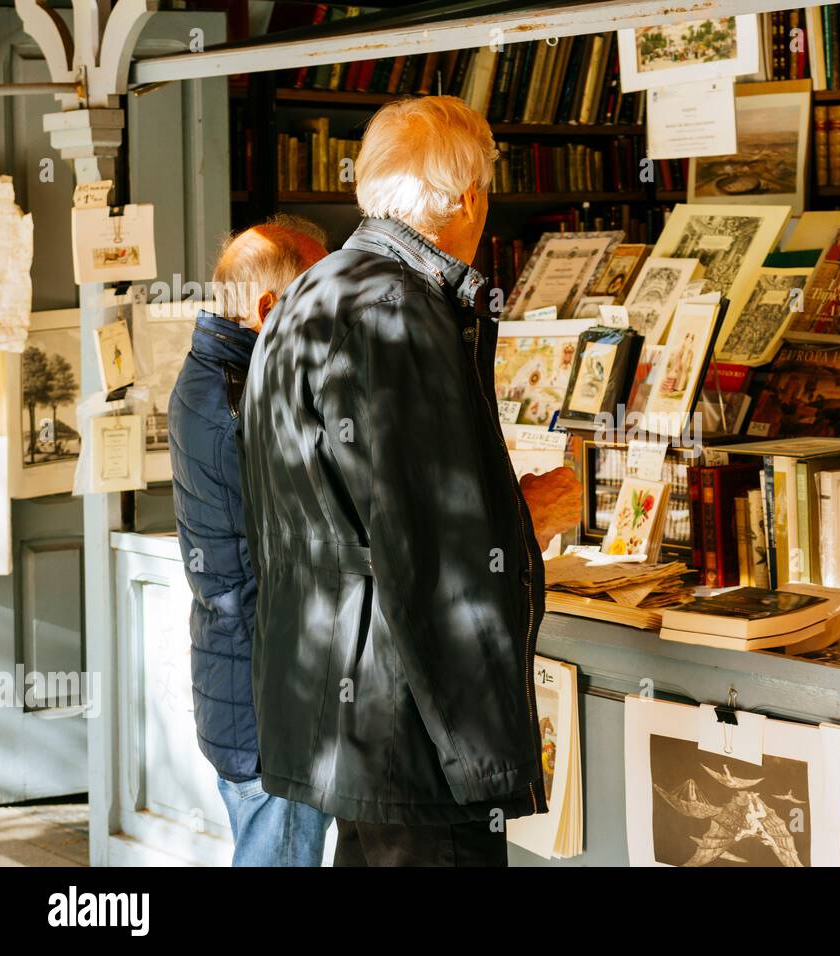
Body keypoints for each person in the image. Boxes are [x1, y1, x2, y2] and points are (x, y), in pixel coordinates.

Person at [238, 96, 582, 867]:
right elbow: (431, 552)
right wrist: (525, 517)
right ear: (467, 198)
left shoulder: (309, 294)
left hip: (345, 719)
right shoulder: (400, 313)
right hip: (412, 734)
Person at [168, 215, 331, 866]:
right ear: (267, 309)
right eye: (319, 299)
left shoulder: (221, 375)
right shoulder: (244, 399)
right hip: (273, 711)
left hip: (246, 693)